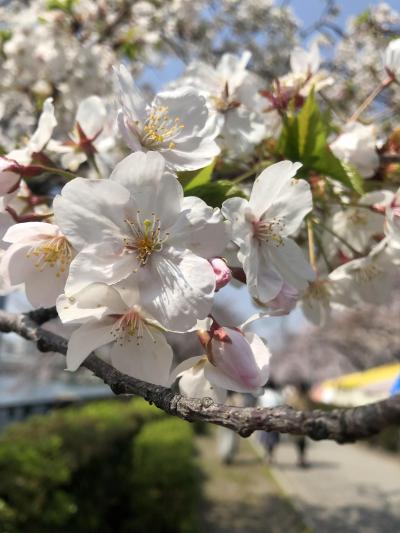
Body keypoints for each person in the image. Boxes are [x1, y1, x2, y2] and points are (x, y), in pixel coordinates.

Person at [257, 381, 283, 463]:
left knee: (266, 438)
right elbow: (281, 406)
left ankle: (268, 453)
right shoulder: (277, 394)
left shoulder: (263, 395)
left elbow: (259, 406)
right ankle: (271, 454)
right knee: (273, 438)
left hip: (264, 418)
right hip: (275, 418)